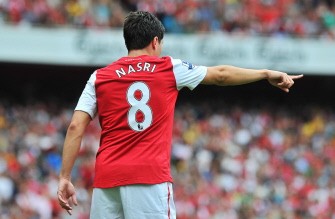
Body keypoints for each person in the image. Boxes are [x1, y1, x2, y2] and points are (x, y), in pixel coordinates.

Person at [57, 11, 303, 219]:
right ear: (155, 42)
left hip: (106, 180)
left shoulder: (99, 77)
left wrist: (65, 177)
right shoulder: (167, 67)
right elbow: (221, 75)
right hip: (149, 178)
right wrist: (264, 73)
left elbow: (75, 127)